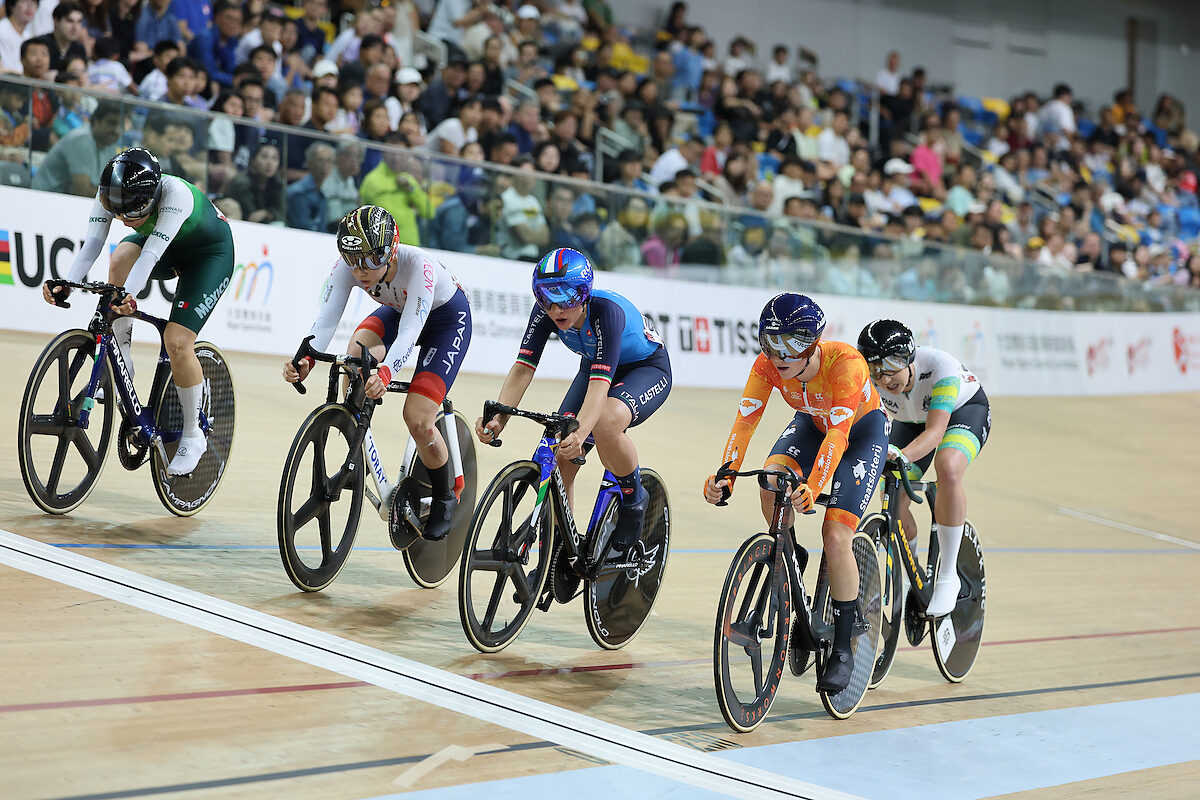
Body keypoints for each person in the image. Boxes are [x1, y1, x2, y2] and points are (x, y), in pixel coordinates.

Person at [702, 293, 888, 694]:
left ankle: (842, 644)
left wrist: (814, 488)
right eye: (770, 342)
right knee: (770, 477)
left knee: (836, 534)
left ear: (813, 342)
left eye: (792, 344)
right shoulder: (768, 365)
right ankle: (788, 549)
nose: (779, 355)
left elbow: (839, 436)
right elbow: (745, 423)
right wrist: (726, 475)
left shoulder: (846, 364)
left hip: (860, 434)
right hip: (811, 423)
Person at [283, 205, 472, 543]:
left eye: (372, 260)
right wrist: (306, 357)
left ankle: (446, 495)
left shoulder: (419, 267)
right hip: (399, 310)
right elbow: (326, 320)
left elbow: (411, 332)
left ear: (392, 249)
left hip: (445, 321)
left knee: (417, 418)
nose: (362, 270)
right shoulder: (350, 267)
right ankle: (357, 432)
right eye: (353, 260)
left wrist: (386, 373)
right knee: (353, 358)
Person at [42, 148, 235, 477]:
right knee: (117, 259)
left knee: (177, 341)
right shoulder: (111, 193)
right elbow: (93, 244)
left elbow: (150, 256)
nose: (123, 219)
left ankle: (193, 433)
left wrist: (127, 294)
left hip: (208, 256)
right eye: (117, 212)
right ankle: (123, 358)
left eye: (132, 213)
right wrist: (68, 283)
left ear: (150, 196)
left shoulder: (175, 196)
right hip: (168, 248)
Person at [475, 248, 671, 557]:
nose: (555, 309)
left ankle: (634, 500)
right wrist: (500, 416)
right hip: (594, 366)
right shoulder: (545, 312)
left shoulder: (607, 312)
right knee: (560, 448)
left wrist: (580, 435)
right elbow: (523, 367)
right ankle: (560, 548)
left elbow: (599, 388)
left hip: (643, 369)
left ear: (583, 293)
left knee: (605, 423)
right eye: (545, 298)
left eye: (566, 298)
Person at [856, 319, 991, 617]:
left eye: (891, 366)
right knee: (892, 493)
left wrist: (900, 454)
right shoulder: (872, 382)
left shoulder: (940, 367)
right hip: (909, 422)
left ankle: (948, 577)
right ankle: (910, 572)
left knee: (949, 466)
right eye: (875, 370)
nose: (885, 378)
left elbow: (935, 433)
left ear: (909, 358)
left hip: (962, 413)